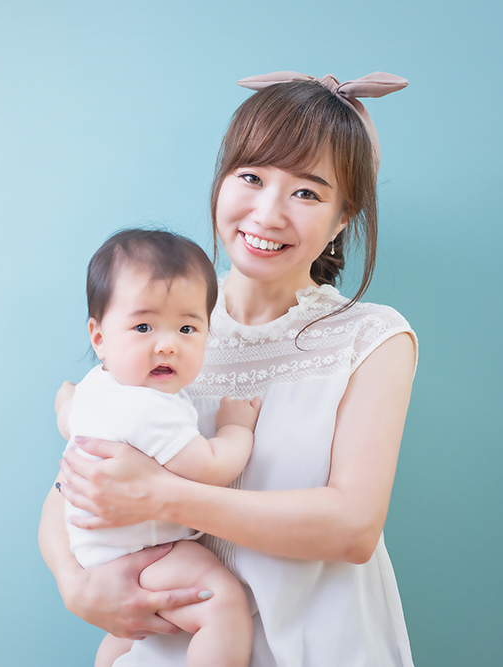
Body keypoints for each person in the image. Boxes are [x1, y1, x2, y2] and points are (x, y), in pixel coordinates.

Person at [39, 70, 418, 666]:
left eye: (307, 193)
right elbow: (73, 484)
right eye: (251, 177)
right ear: (221, 181)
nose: (268, 213)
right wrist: (75, 585)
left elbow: (352, 528)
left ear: (343, 218)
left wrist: (162, 496)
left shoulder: (371, 338)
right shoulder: (163, 329)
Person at [60, 228, 262, 667]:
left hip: (99, 552)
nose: (167, 344)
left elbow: (67, 416)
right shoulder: (149, 408)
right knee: (222, 603)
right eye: (143, 327)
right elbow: (211, 467)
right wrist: (236, 427)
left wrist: (64, 403)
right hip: (144, 550)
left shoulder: (96, 386)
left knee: (131, 636)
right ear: (99, 337)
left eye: (187, 328)